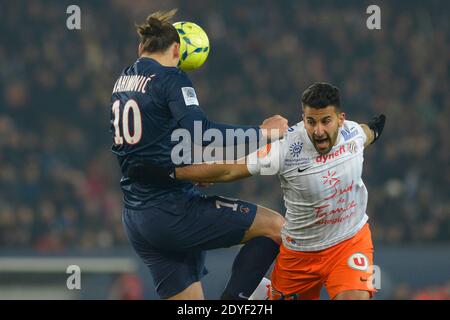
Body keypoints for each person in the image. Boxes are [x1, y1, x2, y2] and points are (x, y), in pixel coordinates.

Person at [109, 9, 288, 300]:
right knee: (275, 228)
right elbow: (203, 135)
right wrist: (263, 132)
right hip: (172, 211)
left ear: (141, 48)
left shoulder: (123, 81)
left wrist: (184, 165)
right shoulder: (170, 78)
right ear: (178, 49)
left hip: (137, 218)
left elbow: (147, 144)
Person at [153, 83, 386, 300]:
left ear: (341, 119)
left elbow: (368, 133)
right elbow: (229, 171)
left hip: (350, 242)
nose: (318, 131)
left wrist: (376, 128)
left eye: (326, 121)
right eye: (311, 122)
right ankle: (259, 293)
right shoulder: (286, 148)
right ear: (303, 119)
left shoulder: (353, 134)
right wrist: (175, 172)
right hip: (300, 254)